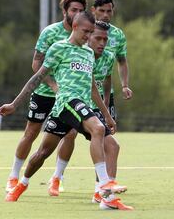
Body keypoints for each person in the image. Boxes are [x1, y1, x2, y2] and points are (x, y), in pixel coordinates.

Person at [0, 11, 133, 210]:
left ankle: (107, 199)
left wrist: (106, 114)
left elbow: (92, 87)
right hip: (66, 103)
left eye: (91, 32)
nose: (88, 36)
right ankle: (22, 184)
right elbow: (37, 77)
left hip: (81, 106)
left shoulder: (88, 53)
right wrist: (14, 104)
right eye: (86, 31)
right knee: (87, 133)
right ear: (75, 26)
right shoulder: (59, 48)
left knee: (111, 145)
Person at [5, 0, 87, 192]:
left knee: (71, 134)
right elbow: (36, 64)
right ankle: (14, 176)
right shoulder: (50, 33)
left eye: (80, 10)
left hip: (70, 96)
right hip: (44, 92)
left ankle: (57, 178)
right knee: (31, 132)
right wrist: (53, 86)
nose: (77, 13)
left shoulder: (85, 34)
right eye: (73, 10)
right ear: (65, 11)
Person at [47, 21, 127, 203]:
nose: (102, 43)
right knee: (50, 147)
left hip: (90, 106)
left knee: (113, 146)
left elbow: (104, 81)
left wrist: (106, 110)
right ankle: (56, 177)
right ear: (87, 36)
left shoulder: (104, 56)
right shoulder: (70, 50)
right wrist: (55, 87)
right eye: (97, 38)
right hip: (69, 103)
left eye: (105, 40)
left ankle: (103, 192)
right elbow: (42, 71)